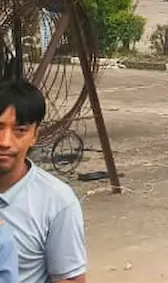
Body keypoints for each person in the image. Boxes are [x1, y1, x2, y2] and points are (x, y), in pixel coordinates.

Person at [0, 80, 86, 283]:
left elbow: (70, 279)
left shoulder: (57, 202)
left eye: (19, 130)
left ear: (34, 136)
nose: (5, 141)